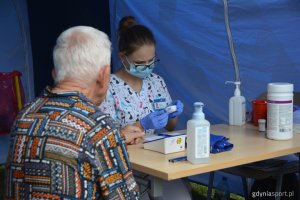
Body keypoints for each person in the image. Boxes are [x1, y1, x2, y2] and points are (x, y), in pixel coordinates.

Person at [5, 26, 144, 199]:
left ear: (56, 74)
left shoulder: (25, 115)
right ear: (103, 74)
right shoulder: (99, 127)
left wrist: (117, 137)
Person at [99, 17, 184, 134]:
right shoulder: (108, 87)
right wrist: (142, 125)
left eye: (151, 60)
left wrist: (172, 114)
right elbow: (107, 137)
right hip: (123, 151)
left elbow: (170, 127)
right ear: (122, 57)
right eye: (139, 63)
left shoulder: (156, 82)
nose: (147, 66)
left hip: (151, 150)